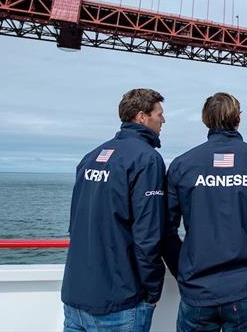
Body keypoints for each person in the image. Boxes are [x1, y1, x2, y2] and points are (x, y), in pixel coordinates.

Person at [165, 92, 247, 332]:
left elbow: (165, 231)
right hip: (246, 286)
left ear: (206, 120)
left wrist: (183, 272)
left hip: (197, 289)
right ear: (238, 119)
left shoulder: (182, 164)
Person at [62, 88, 167, 332]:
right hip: (120, 302)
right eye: (159, 114)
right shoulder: (146, 159)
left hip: (75, 295)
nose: (163, 120)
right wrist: (152, 291)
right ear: (141, 117)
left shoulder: (91, 156)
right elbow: (148, 236)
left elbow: (75, 223)